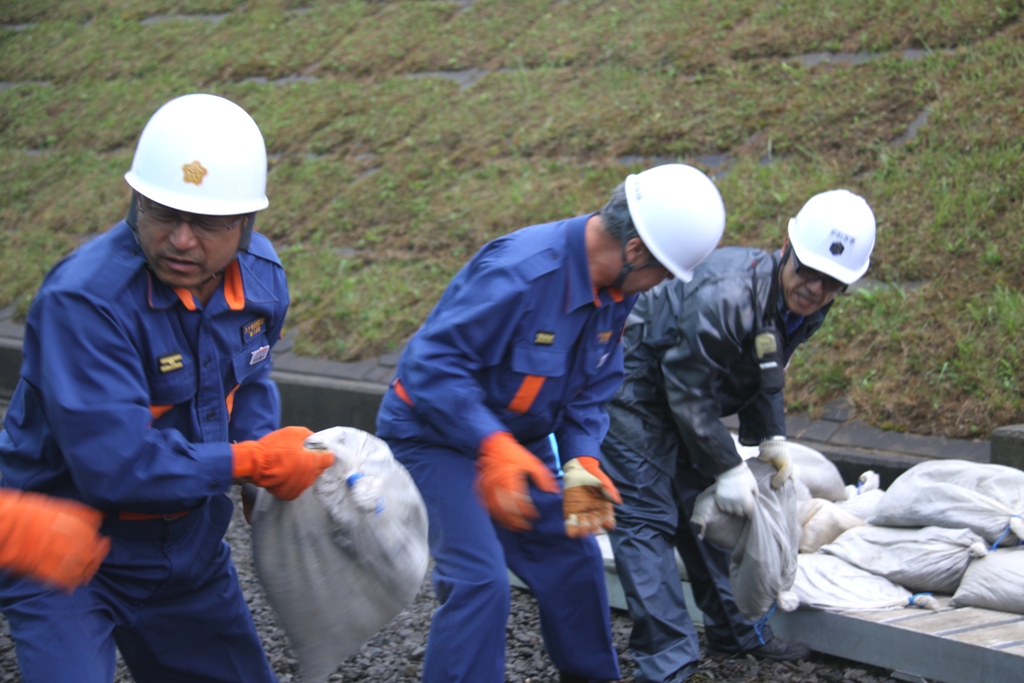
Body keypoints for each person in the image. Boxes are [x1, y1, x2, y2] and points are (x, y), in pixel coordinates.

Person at [0, 93, 334, 683]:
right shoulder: (86, 302)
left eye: (206, 223)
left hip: (188, 547)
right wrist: (250, 460)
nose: (181, 239)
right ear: (135, 202)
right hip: (66, 545)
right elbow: (114, 465)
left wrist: (264, 451)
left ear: (245, 223)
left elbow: (250, 375)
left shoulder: (261, 281)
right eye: (161, 213)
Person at [375, 163, 727, 683]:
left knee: (574, 560)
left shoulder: (615, 292)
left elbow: (589, 391)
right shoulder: (521, 271)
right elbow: (430, 366)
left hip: (520, 443)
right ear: (634, 254)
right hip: (435, 438)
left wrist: (582, 459)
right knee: (480, 581)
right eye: (663, 274)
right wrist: (491, 444)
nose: (659, 287)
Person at [600, 189, 877, 683]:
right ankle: (667, 664)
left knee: (705, 510)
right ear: (787, 248)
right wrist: (727, 465)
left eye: (831, 282)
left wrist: (771, 437)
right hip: (635, 381)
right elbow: (687, 387)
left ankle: (735, 630)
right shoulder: (726, 294)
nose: (814, 287)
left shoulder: (807, 306)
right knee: (646, 520)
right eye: (808, 271)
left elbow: (766, 365)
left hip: (688, 392)